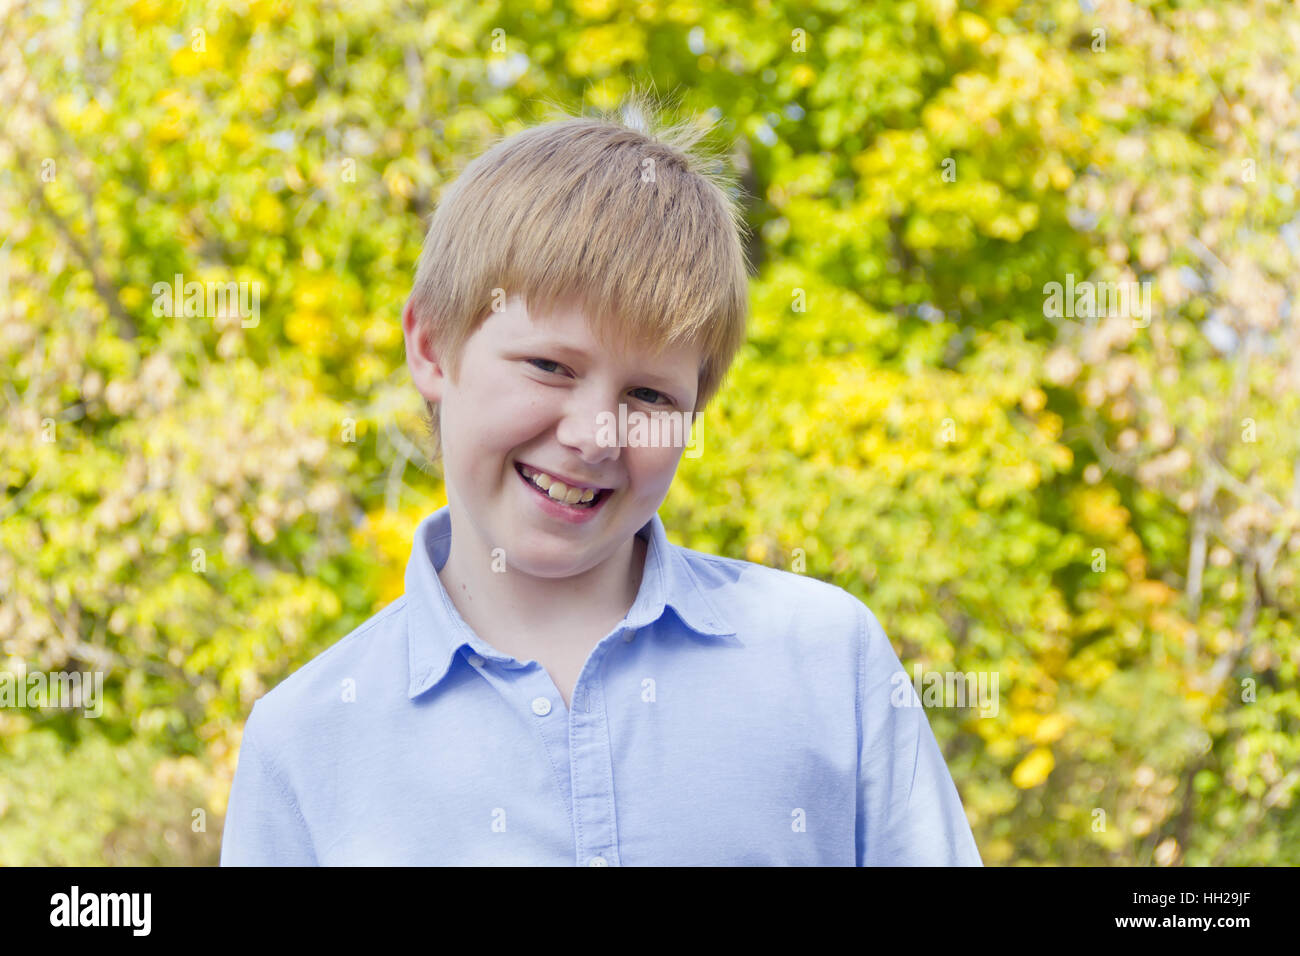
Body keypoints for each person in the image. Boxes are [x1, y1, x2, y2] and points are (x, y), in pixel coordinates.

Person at [220, 96, 982, 866]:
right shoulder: (306, 744)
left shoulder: (825, 659)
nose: (594, 436)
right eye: (551, 367)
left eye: (649, 396)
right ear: (431, 345)